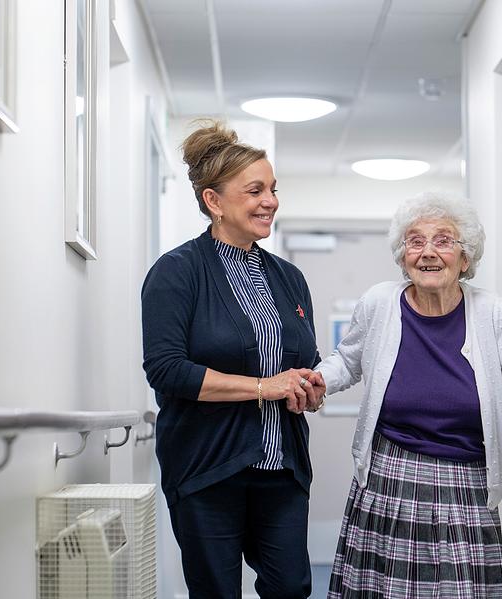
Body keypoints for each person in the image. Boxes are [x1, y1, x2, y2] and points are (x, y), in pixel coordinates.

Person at [315, 191, 502, 598]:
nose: (428, 252)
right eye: (415, 241)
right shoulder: (380, 303)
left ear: (466, 257)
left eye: (443, 241)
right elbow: (347, 361)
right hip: (389, 476)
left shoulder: (493, 313)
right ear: (403, 255)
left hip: (466, 481)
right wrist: (316, 381)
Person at [141, 120, 325, 599]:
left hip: (281, 468)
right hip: (207, 468)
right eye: (255, 190)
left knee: (291, 589)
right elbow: (166, 370)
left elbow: (305, 359)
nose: (270, 201)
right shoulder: (177, 273)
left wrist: (309, 387)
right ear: (214, 201)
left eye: (273, 189)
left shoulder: (288, 278)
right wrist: (264, 386)